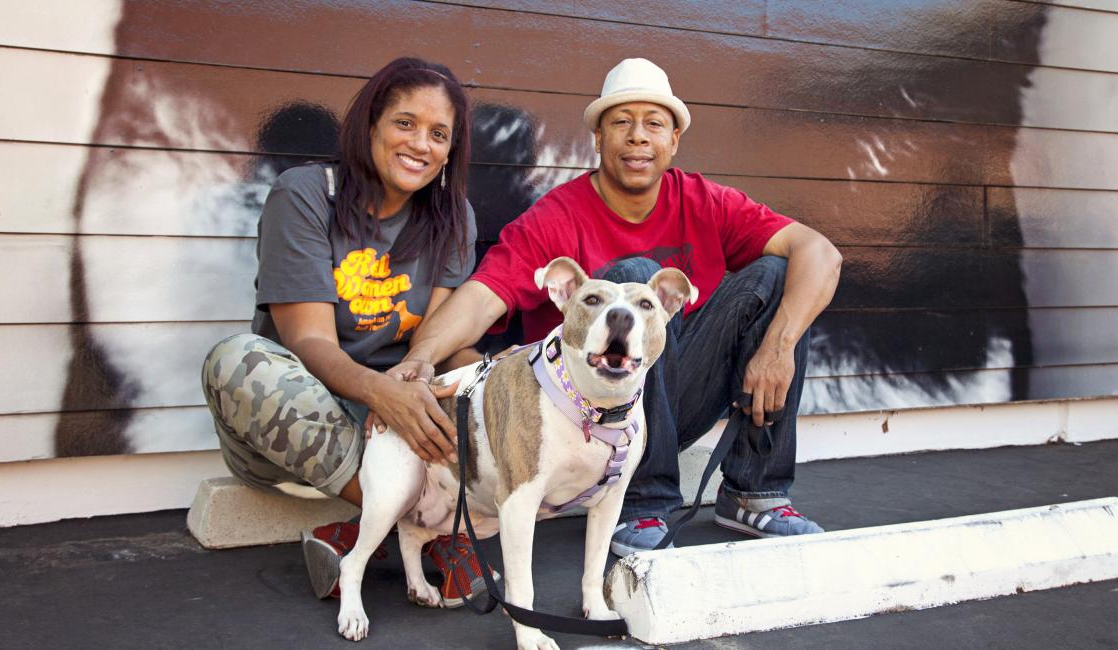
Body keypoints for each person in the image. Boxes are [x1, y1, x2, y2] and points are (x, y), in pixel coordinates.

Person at [389, 58, 843, 555]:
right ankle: (639, 505)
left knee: (779, 277)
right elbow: (481, 297)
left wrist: (778, 347)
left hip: (675, 393)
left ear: (673, 141)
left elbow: (820, 252)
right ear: (598, 139)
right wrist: (422, 355)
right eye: (621, 123)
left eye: (654, 124)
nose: (638, 137)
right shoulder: (557, 217)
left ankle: (754, 494)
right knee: (629, 283)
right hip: (582, 416)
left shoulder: (705, 201)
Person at [201, 57, 489, 603]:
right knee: (237, 361)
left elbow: (437, 342)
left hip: (398, 426)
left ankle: (370, 534)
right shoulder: (308, 193)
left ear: (451, 151)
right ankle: (427, 528)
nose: (420, 144)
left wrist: (485, 385)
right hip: (304, 422)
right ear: (371, 125)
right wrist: (384, 393)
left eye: (438, 134)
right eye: (405, 123)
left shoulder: (455, 217)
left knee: (481, 370)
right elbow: (308, 342)